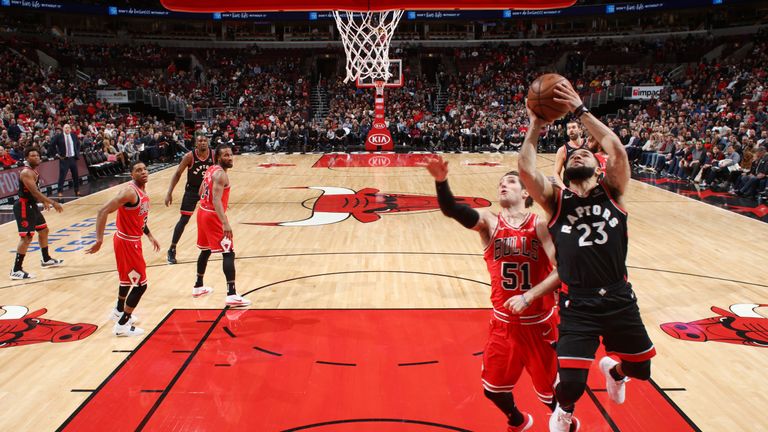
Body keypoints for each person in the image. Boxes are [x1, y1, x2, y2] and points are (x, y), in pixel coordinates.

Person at [518, 83, 656, 432]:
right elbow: (525, 171)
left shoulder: (614, 191)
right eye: (573, 156)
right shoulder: (556, 200)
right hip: (577, 304)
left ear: (599, 168)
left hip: (620, 300)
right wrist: (535, 126)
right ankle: (563, 413)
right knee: (573, 386)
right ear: (564, 172)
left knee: (641, 369)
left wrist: (581, 111)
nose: (578, 155)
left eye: (586, 155)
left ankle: (614, 370)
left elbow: (618, 151)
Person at [425, 156, 574, 432]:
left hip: (539, 325)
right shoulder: (488, 222)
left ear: (526, 192)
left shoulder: (539, 225)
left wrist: (530, 296)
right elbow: (451, 209)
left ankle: (565, 422)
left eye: (511, 181)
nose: (503, 185)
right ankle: (518, 420)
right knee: (492, 389)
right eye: (501, 182)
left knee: (549, 394)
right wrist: (441, 181)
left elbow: (563, 269)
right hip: (503, 324)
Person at [85, 161, 160, 337]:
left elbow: (140, 218)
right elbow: (102, 211)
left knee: (126, 280)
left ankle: (118, 310)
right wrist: (98, 239)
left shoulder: (141, 190)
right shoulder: (129, 192)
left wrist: (149, 235)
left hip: (131, 239)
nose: (143, 172)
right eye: (138, 170)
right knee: (141, 285)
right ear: (131, 174)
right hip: (127, 242)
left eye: (144, 169)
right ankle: (122, 325)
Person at [193, 144, 251, 307]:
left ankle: (198, 286)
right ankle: (231, 294)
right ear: (218, 157)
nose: (230, 158)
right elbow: (216, 200)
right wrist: (225, 222)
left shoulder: (211, 169)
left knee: (205, 250)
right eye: (225, 155)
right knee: (228, 252)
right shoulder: (220, 175)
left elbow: (201, 191)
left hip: (202, 212)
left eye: (231, 154)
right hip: (212, 216)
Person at [10, 147, 64, 280]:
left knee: (44, 230)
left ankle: (46, 259)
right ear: (27, 158)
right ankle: (16, 269)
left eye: (37, 155)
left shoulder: (33, 171)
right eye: (32, 156)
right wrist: (52, 202)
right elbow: (34, 192)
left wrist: (43, 201)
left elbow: (36, 190)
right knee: (27, 238)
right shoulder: (26, 172)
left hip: (31, 205)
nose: (36, 157)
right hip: (23, 206)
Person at [164, 134, 213, 265]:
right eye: (200, 141)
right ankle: (172, 249)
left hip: (207, 190)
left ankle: (223, 246)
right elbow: (177, 174)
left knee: (217, 216)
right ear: (196, 144)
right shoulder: (189, 156)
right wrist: (169, 192)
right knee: (184, 219)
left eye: (204, 140)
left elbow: (220, 172)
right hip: (192, 190)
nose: (203, 142)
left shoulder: (213, 155)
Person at [552, 121, 587, 189]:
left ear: (580, 129)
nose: (571, 130)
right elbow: (556, 173)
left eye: (574, 127)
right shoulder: (563, 150)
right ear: (567, 132)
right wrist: (564, 188)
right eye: (569, 128)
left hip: (588, 187)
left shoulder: (588, 144)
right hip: (571, 188)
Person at [52, 124, 81, 197]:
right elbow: (52, 145)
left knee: (75, 175)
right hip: (64, 159)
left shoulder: (73, 136)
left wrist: (76, 152)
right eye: (65, 128)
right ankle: (60, 192)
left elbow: (78, 144)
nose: (67, 129)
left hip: (72, 158)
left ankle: (77, 190)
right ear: (63, 129)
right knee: (62, 176)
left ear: (70, 129)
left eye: (68, 128)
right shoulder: (59, 136)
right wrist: (57, 154)